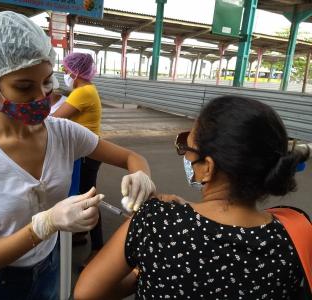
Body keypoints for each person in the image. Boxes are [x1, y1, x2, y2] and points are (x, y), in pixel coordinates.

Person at [0, 11, 155, 300]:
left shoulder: (63, 133)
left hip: (47, 267)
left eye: (48, 82)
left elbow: (130, 157)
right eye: (24, 87)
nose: (41, 97)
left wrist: (141, 175)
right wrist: (46, 224)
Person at [75, 96, 309, 299]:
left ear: (207, 167)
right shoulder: (295, 235)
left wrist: (143, 270)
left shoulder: (155, 220)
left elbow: (86, 292)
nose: (185, 155)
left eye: (186, 148)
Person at [53, 52, 105, 260]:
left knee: (88, 198)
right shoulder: (88, 89)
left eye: (66, 71)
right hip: (87, 151)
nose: (65, 74)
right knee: (82, 195)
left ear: (76, 72)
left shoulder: (81, 93)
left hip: (87, 153)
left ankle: (98, 248)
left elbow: (54, 119)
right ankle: (82, 233)